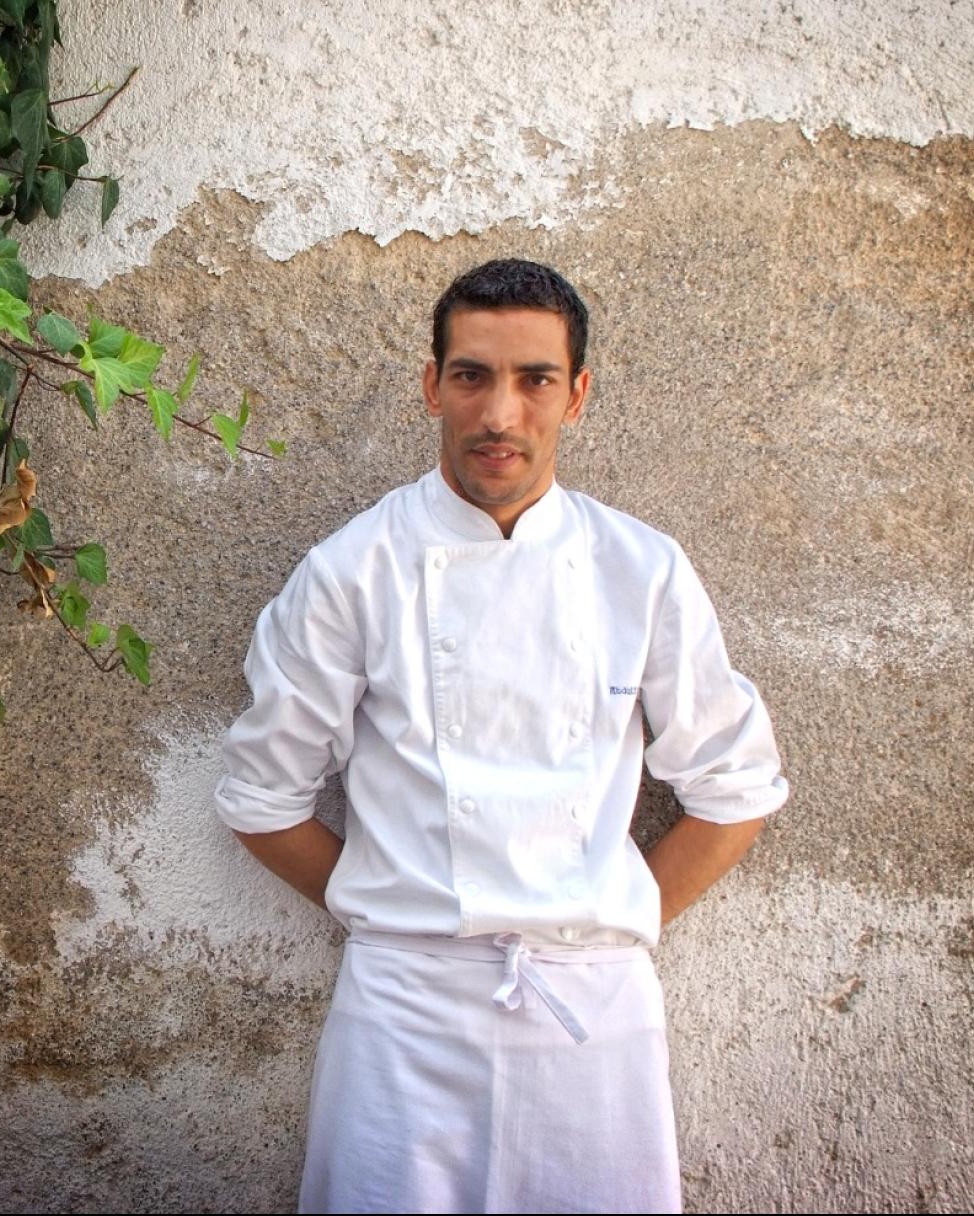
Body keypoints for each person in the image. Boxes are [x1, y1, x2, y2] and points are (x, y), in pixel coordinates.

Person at [213, 258, 788, 1214]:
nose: (500, 415)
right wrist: (396, 913)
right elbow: (261, 801)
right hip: (404, 1018)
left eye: (535, 380)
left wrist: (603, 916)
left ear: (579, 396)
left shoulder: (640, 570)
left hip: (591, 1022)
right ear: (432, 384)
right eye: (473, 375)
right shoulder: (354, 571)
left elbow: (736, 790)